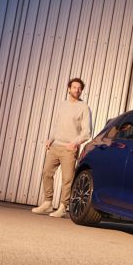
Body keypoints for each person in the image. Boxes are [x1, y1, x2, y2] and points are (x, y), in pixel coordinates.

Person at [31, 78, 92, 218]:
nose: (77, 90)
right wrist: (50, 139)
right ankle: (47, 202)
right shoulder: (62, 105)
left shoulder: (84, 108)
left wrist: (75, 143)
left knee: (67, 179)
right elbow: (57, 125)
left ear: (81, 91)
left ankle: (63, 207)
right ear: (68, 89)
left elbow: (87, 132)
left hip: (69, 149)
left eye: (79, 88)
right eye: (74, 87)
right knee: (46, 172)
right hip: (55, 146)